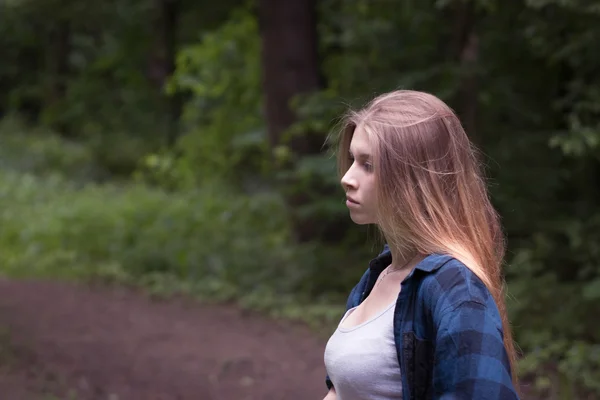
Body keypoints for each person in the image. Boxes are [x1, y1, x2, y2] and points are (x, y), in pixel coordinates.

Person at [322, 90, 520, 400]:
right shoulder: (379, 273)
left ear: (413, 179)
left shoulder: (455, 288)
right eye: (352, 160)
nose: (347, 177)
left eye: (368, 165)